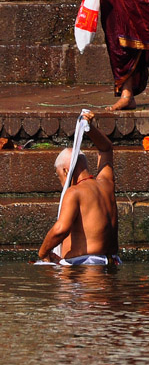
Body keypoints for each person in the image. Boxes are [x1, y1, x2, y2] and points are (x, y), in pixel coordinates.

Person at [37, 112, 121, 266]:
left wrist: (43, 253)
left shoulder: (74, 192)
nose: (62, 183)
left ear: (65, 171)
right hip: (112, 263)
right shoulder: (106, 183)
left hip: (86, 269)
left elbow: (60, 230)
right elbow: (106, 149)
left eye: (59, 177)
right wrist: (89, 128)